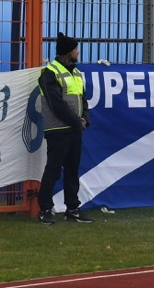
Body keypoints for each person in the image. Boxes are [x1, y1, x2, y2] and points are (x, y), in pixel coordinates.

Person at [38, 32, 92, 224]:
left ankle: (72, 208)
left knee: (72, 170)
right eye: (76, 49)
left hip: (75, 129)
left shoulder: (76, 73)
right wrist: (76, 122)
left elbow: (83, 100)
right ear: (68, 52)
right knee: (53, 169)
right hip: (57, 130)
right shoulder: (49, 73)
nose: (78, 52)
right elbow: (56, 104)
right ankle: (45, 209)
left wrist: (85, 118)